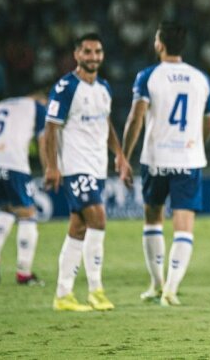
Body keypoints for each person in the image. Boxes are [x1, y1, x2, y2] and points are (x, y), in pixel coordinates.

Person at [122, 22, 210, 307]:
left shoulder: (148, 76)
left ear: (159, 44)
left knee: (152, 220)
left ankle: (156, 284)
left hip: (156, 160)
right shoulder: (200, 78)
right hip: (188, 160)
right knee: (184, 227)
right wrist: (196, 143)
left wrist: (124, 156)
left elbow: (136, 118)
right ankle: (171, 290)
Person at [44, 33, 133, 312]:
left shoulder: (104, 88)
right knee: (98, 219)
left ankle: (63, 295)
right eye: (87, 52)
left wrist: (119, 155)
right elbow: (50, 128)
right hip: (75, 165)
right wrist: (52, 166)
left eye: (98, 52)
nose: (93, 57)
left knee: (78, 228)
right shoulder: (66, 87)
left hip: (97, 167)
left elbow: (106, 125)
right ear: (76, 55)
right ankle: (96, 290)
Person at [0, 90, 48, 286]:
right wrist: (48, 169)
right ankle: (23, 272)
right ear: (42, 98)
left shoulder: (0, 104)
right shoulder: (37, 107)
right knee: (28, 214)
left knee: (6, 209)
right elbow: (43, 139)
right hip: (13, 164)